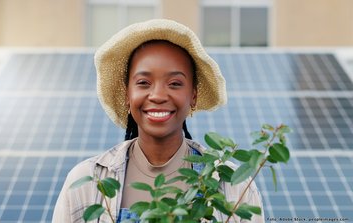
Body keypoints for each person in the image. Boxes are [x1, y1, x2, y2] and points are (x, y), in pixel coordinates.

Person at [53, 19, 264, 223]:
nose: (158, 95)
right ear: (127, 94)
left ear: (193, 95)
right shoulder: (85, 182)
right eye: (143, 82)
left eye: (174, 83)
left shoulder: (234, 184)